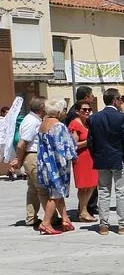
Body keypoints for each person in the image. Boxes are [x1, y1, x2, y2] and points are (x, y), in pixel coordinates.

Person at [87, 89, 124, 236]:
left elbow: (90, 142)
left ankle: (103, 225)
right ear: (115, 100)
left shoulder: (94, 118)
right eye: (120, 99)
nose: (121, 102)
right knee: (121, 192)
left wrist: (96, 156)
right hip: (119, 158)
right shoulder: (121, 117)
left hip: (102, 159)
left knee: (104, 191)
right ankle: (123, 224)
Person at [36, 99, 78, 235]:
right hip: (57, 165)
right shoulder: (58, 125)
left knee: (57, 193)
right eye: (64, 109)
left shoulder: (43, 124)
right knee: (55, 194)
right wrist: (72, 155)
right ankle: (46, 222)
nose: (65, 112)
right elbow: (63, 147)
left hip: (46, 163)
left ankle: (65, 219)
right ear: (59, 111)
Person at [9, 97, 49, 228]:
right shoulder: (32, 122)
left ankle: (31, 217)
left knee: (33, 190)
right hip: (33, 156)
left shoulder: (33, 119)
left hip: (32, 155)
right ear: (42, 107)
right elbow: (22, 144)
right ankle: (51, 218)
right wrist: (19, 160)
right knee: (42, 189)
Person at [67, 100, 98, 221]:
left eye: (89, 109)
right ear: (77, 111)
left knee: (92, 184)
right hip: (81, 158)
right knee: (83, 186)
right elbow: (73, 145)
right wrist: (88, 142)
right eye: (84, 109)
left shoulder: (88, 123)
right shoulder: (75, 124)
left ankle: (83, 209)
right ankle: (83, 211)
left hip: (90, 157)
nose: (87, 112)